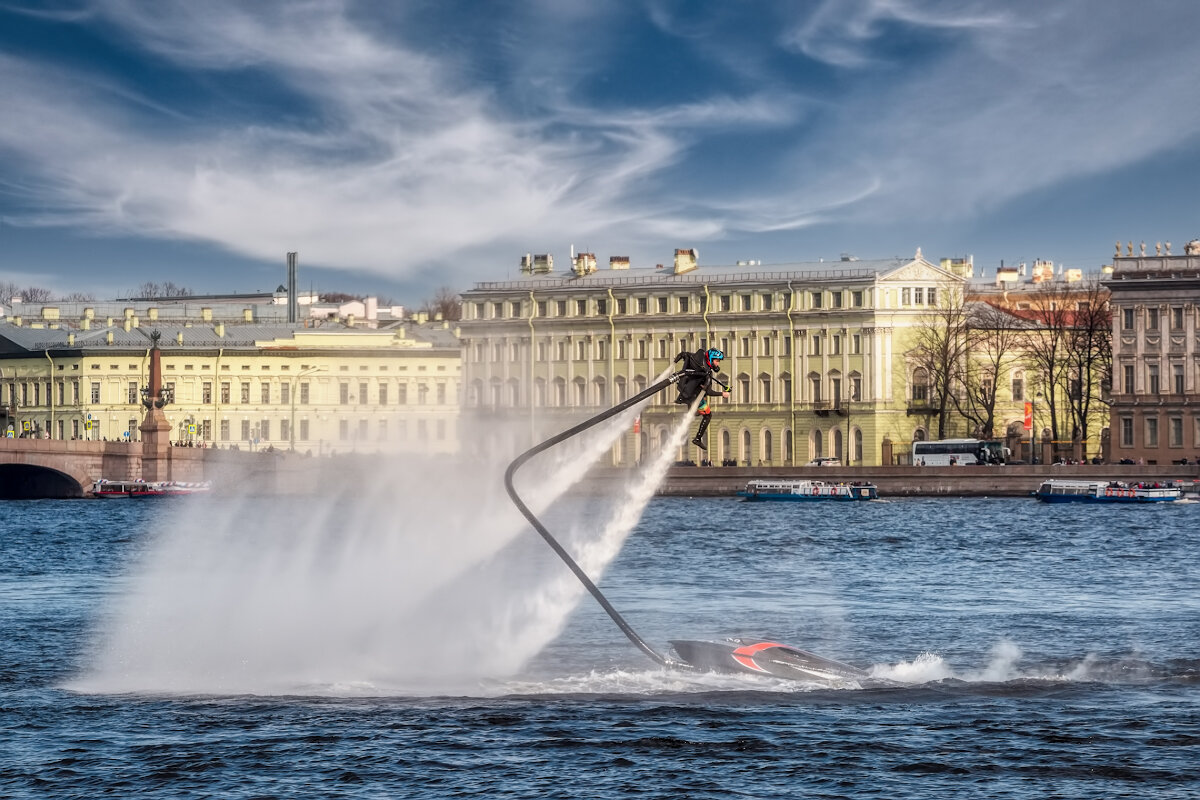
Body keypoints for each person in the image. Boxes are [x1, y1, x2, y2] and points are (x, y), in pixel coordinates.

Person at [673, 347, 729, 449]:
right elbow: (709, 391)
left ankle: (692, 412)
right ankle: (698, 439)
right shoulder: (706, 375)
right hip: (694, 398)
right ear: (711, 360)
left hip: (688, 393)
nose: (718, 364)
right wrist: (722, 394)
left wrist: (678, 358)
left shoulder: (697, 359)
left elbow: (685, 354)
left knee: (696, 413)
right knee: (708, 415)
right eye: (717, 361)